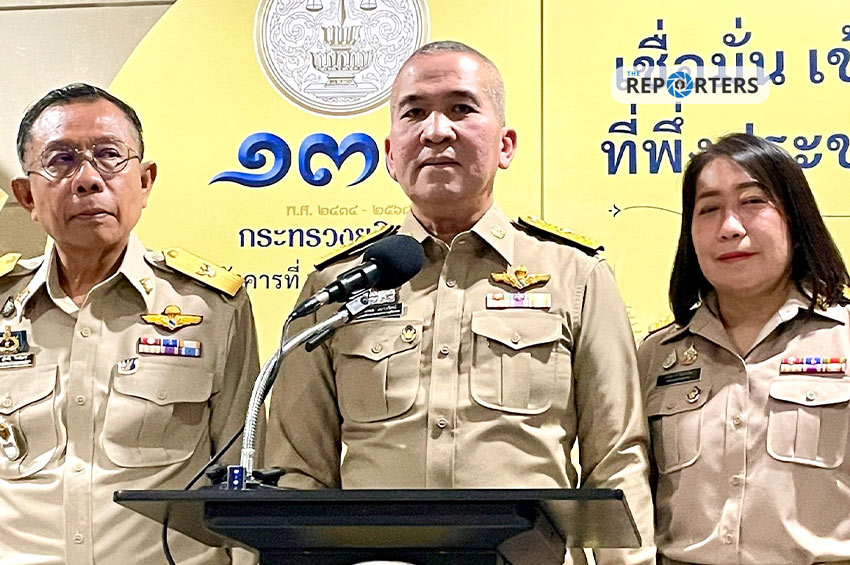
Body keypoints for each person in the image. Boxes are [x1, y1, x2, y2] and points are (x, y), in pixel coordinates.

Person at [266, 41, 654, 564]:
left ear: (505, 145)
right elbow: (299, 473)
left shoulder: (576, 276)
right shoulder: (337, 287)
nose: (436, 131)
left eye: (461, 108)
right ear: (390, 154)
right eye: (414, 113)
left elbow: (617, 461)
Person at [0, 83, 260, 564]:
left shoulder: (211, 308)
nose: (87, 179)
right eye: (61, 160)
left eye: (108, 156)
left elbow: (244, 476)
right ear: (26, 195)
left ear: (144, 181)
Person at [638, 133, 850, 565]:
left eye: (753, 202)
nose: (730, 227)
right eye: (708, 209)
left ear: (796, 220)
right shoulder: (655, 356)